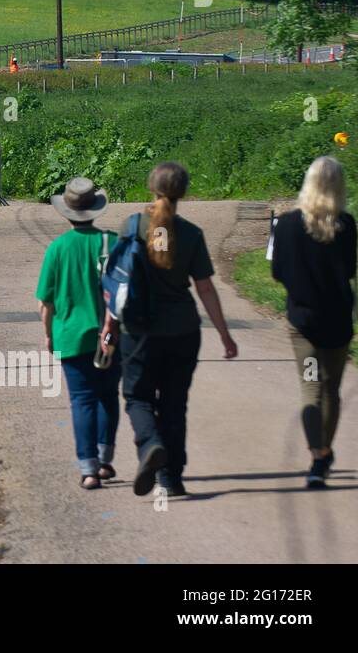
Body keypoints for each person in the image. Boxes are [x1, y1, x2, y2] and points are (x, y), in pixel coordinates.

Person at [115, 162, 238, 498]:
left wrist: (109, 325)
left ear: (150, 187)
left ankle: (150, 445)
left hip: (139, 331)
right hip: (183, 330)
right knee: (174, 403)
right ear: (183, 191)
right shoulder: (192, 234)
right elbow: (206, 288)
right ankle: (171, 478)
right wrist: (225, 335)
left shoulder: (132, 226)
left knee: (138, 397)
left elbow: (117, 281)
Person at [269, 156, 357, 489]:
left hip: (303, 324)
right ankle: (323, 452)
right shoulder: (346, 225)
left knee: (310, 387)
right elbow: (348, 271)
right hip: (337, 325)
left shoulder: (288, 224)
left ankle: (318, 455)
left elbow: (277, 272)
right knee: (331, 389)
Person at [36, 177, 120, 489]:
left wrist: (49, 334)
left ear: (66, 212)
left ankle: (87, 468)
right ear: (96, 210)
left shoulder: (58, 249)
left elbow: (46, 302)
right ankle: (104, 460)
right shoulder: (112, 242)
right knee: (108, 397)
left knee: (82, 400)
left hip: (70, 335)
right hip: (110, 336)